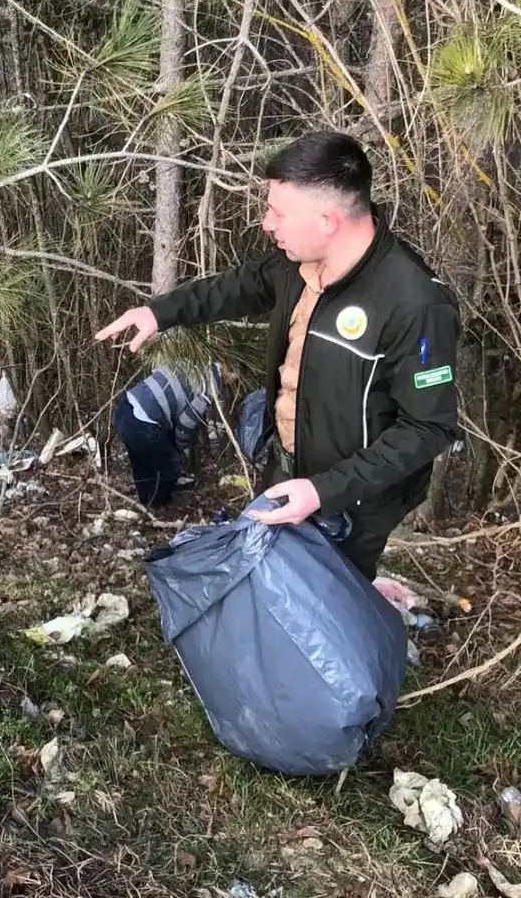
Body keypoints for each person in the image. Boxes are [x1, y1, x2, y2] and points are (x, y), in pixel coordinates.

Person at [96, 131, 459, 580]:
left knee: (324, 611)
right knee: (272, 590)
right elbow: (237, 286)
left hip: (352, 502)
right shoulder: (297, 264)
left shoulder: (414, 302)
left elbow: (428, 428)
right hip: (286, 469)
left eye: (278, 212)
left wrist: (323, 491)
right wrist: (158, 313)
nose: (267, 223)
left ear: (328, 220)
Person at [113, 364, 219, 507]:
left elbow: (158, 372)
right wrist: (181, 448)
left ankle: (146, 503)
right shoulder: (211, 386)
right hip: (143, 422)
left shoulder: (193, 361)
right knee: (170, 463)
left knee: (141, 463)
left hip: (124, 408)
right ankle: (160, 508)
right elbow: (186, 423)